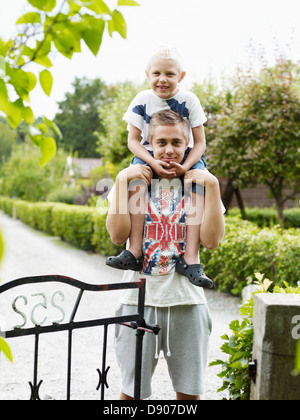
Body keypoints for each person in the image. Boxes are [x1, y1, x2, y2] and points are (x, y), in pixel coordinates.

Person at [106, 110, 225, 400]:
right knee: (130, 394)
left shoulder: (199, 184)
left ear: (188, 144)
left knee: (189, 395)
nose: (169, 150)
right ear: (149, 143)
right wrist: (121, 180)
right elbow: (117, 236)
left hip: (187, 303)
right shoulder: (134, 180)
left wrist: (214, 185)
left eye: (176, 142)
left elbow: (211, 241)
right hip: (137, 301)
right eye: (161, 142)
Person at [106, 46, 212, 287]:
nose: (162, 79)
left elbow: (200, 142)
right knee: (135, 180)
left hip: (184, 153)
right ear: (147, 74)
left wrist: (185, 167)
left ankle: (191, 259)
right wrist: (152, 161)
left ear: (181, 76)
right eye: (156, 74)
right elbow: (133, 140)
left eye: (169, 74)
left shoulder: (190, 100)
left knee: (198, 186)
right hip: (149, 151)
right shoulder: (142, 99)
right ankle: (133, 251)